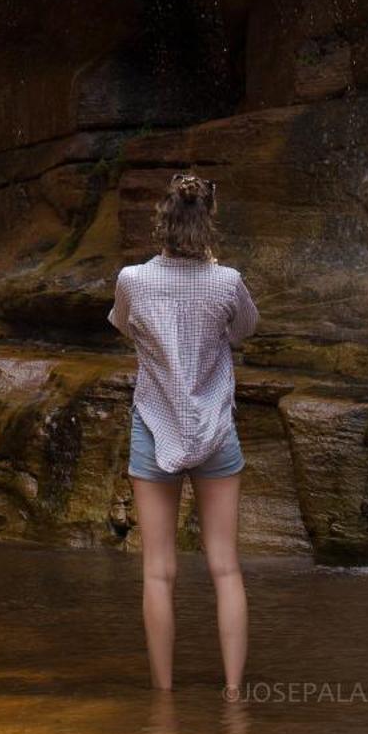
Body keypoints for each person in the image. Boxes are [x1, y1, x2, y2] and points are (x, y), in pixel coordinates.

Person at [109, 173, 258, 699]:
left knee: (157, 572)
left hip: (155, 426)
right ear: (206, 224)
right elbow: (243, 330)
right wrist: (213, 270)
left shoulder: (133, 280)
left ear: (162, 224)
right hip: (215, 429)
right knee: (225, 567)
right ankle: (235, 696)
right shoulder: (227, 281)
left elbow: (124, 326)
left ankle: (164, 701)